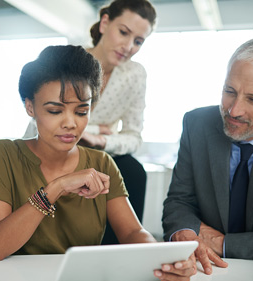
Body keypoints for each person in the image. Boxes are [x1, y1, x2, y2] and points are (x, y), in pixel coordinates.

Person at [0, 45, 194, 281]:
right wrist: (57, 187)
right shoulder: (4, 155)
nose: (71, 123)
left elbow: (133, 232)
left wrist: (165, 261)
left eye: (82, 111)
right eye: (54, 110)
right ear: (30, 107)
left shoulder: (102, 163)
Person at [162, 37, 253, 275]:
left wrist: (223, 243)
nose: (233, 110)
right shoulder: (196, 123)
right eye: (230, 91)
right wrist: (186, 235)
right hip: (205, 270)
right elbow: (180, 200)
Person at [24, 0, 157, 244]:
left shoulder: (135, 74)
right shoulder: (71, 61)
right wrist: (96, 127)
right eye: (124, 32)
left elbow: (134, 136)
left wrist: (101, 139)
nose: (128, 46)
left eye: (138, 41)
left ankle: (117, 253)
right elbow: (40, 122)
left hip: (98, 153)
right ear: (105, 23)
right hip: (51, 146)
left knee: (133, 171)